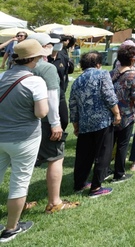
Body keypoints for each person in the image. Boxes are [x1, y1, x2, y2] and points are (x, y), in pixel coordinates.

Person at [0, 39, 49, 242]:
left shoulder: (2, 77)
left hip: (1, 135)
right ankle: (11, 228)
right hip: (24, 139)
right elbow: (41, 113)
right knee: (19, 182)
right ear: (33, 59)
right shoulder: (35, 81)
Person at [25, 33, 79, 214]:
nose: (53, 47)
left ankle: (20, 201)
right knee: (56, 158)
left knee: (24, 163)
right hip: (44, 120)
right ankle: (54, 202)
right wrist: (56, 123)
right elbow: (52, 96)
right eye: (49, 44)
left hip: (23, 120)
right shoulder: (46, 68)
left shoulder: (16, 66)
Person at [69, 51, 120, 198]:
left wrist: (76, 124)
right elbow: (109, 95)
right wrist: (117, 113)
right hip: (102, 121)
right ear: (98, 64)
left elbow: (72, 104)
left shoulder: (77, 80)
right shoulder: (103, 74)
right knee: (103, 153)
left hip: (85, 123)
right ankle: (96, 187)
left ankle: (79, 183)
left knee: (83, 155)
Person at [109, 44, 135, 183]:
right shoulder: (134, 75)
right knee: (123, 144)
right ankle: (119, 174)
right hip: (126, 115)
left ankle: (105, 170)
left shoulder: (112, 72)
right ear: (132, 59)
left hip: (111, 113)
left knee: (110, 143)